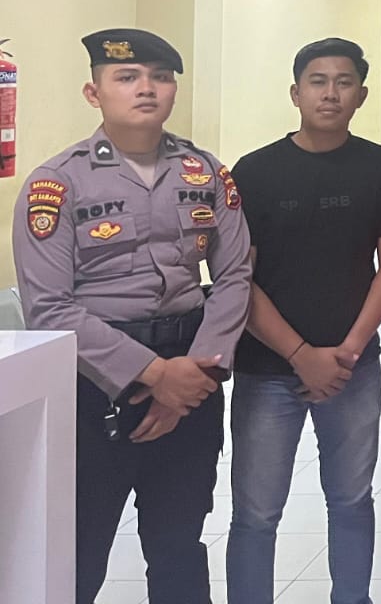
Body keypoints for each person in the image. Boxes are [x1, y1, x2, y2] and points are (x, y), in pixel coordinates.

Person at [12, 29, 251, 604]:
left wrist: (190, 379)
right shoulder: (56, 184)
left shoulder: (204, 172)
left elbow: (235, 275)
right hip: (93, 386)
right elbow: (49, 307)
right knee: (78, 550)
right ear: (93, 93)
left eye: (161, 77)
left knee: (178, 545)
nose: (147, 88)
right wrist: (155, 375)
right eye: (127, 77)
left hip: (194, 371)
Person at [225, 37, 381, 604]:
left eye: (343, 82)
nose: (330, 93)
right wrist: (300, 354)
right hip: (266, 369)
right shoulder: (255, 171)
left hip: (352, 369)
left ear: (361, 95)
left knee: (352, 501)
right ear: (295, 93)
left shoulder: (380, 167)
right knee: (256, 514)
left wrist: (349, 350)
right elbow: (238, 277)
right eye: (317, 81)